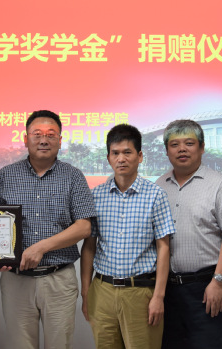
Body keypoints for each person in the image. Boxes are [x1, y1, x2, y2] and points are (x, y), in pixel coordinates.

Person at [0, 109, 96, 349]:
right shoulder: (7, 175)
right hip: (16, 280)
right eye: (37, 134)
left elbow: (84, 227)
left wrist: (41, 247)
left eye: (51, 134)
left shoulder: (73, 176)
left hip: (58, 279)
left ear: (60, 140)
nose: (44, 139)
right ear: (25, 139)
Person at [81, 124, 175, 349]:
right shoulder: (96, 196)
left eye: (127, 152)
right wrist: (86, 292)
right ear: (108, 158)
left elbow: (163, 247)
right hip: (102, 291)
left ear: (139, 156)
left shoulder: (155, 195)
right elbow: (89, 246)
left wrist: (158, 297)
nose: (121, 159)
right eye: (115, 153)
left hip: (140, 292)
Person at [155, 119, 222, 349]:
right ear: (167, 150)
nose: (182, 149)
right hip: (169, 290)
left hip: (208, 287)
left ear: (202, 147)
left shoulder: (220, 185)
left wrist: (219, 282)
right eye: (174, 144)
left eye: (189, 143)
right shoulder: (159, 187)